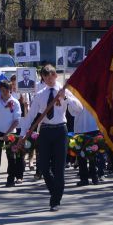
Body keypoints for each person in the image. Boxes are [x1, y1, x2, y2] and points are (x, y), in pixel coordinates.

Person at [26, 64, 83, 211]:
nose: (49, 79)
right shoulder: (40, 94)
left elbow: (78, 108)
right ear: (43, 78)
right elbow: (31, 115)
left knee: (59, 168)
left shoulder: (64, 91)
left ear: (56, 76)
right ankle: (55, 191)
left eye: (51, 75)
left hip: (60, 130)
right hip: (45, 130)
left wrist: (67, 99)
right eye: (46, 76)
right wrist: (22, 134)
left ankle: (55, 200)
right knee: (44, 167)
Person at [0, 80, 22, 188]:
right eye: (1, 90)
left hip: (10, 133)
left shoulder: (15, 102)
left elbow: (17, 120)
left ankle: (11, 178)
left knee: (11, 156)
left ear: (10, 90)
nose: (3, 93)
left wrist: (8, 133)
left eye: (5, 90)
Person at [74, 108, 101, 186]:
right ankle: (84, 179)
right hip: (79, 127)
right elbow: (72, 112)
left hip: (93, 126)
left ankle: (95, 176)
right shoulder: (75, 95)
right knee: (81, 155)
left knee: (93, 155)